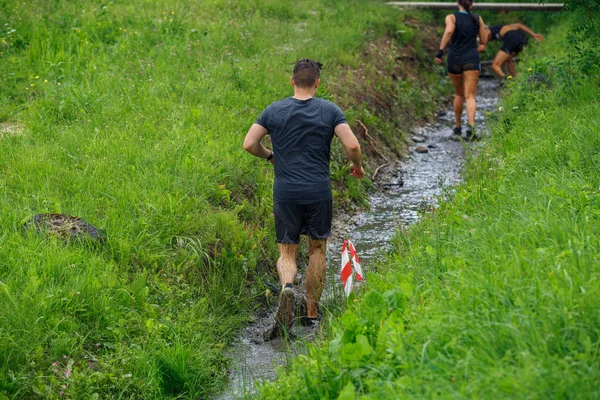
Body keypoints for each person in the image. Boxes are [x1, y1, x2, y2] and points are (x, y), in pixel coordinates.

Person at [243, 59, 364, 337]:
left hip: (286, 192)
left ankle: (287, 287)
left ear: (292, 81)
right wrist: (356, 165)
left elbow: (249, 143)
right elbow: (353, 145)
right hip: (318, 191)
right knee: (317, 249)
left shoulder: (274, 111)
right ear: (318, 83)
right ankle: (311, 313)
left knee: (287, 251)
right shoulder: (330, 111)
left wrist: (270, 156)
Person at [435, 0, 487, 141]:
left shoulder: (451, 17)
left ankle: (457, 127)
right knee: (470, 95)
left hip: (454, 58)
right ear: (472, 3)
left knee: (459, 94)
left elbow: (449, 30)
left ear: (458, 2)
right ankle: (471, 126)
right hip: (471, 58)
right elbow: (484, 40)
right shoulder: (477, 18)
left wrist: (440, 51)